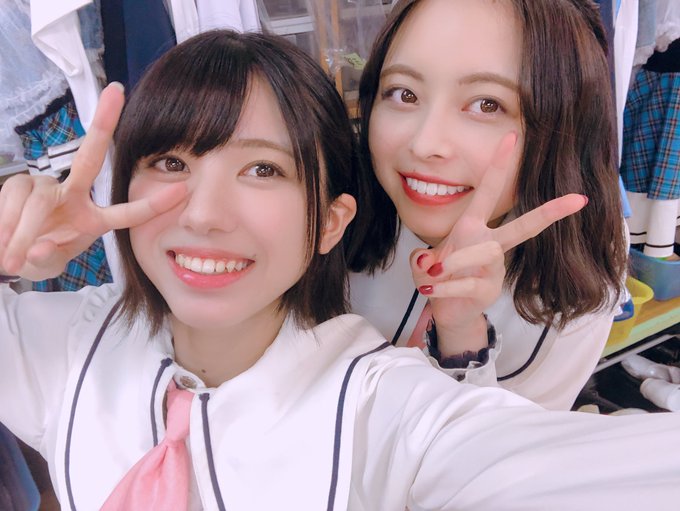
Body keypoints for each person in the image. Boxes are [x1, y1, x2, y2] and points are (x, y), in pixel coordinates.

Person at [1, 30, 680, 511]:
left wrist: (462, 335)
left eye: (261, 169)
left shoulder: (378, 407)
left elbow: (524, 463)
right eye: (171, 163)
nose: (203, 214)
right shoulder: (66, 344)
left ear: (331, 221)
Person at [349, 0, 629, 410]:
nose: (425, 144)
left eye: (487, 104)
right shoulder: (332, 210)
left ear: (565, 124)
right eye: (404, 93)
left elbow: (518, 441)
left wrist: (461, 338)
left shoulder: (586, 259)